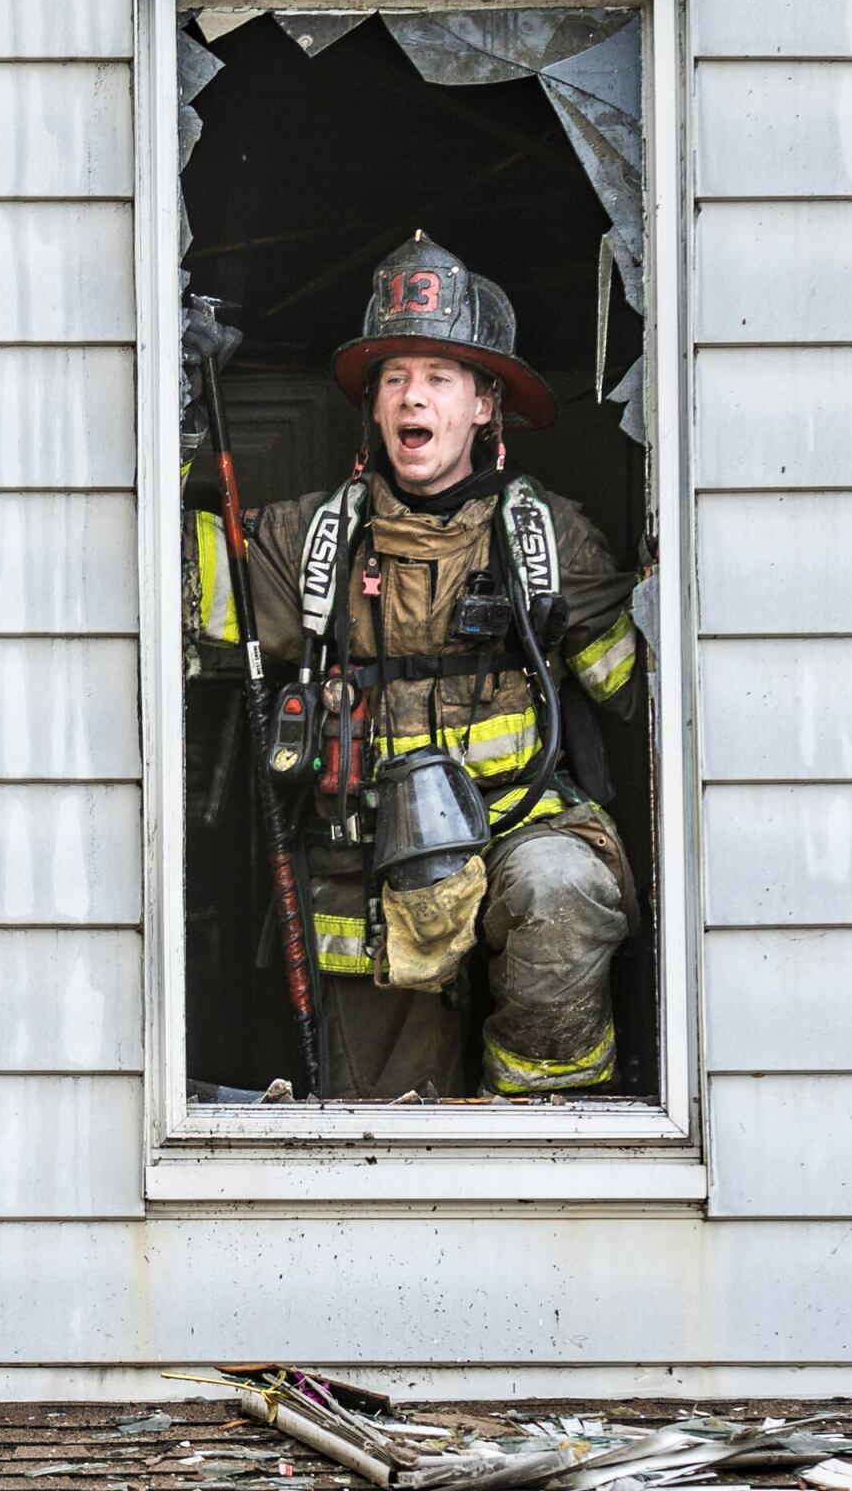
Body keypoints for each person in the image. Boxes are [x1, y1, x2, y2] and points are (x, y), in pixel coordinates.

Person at [217, 234, 649, 1097]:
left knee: (561, 886)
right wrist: (181, 415)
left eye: (440, 377)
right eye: (394, 377)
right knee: (385, 1129)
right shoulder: (310, 542)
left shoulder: (550, 541)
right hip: (367, 865)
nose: (412, 395)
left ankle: (537, 1123)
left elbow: (642, 691)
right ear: (375, 405)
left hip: (520, 828)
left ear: (486, 404)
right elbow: (172, 590)